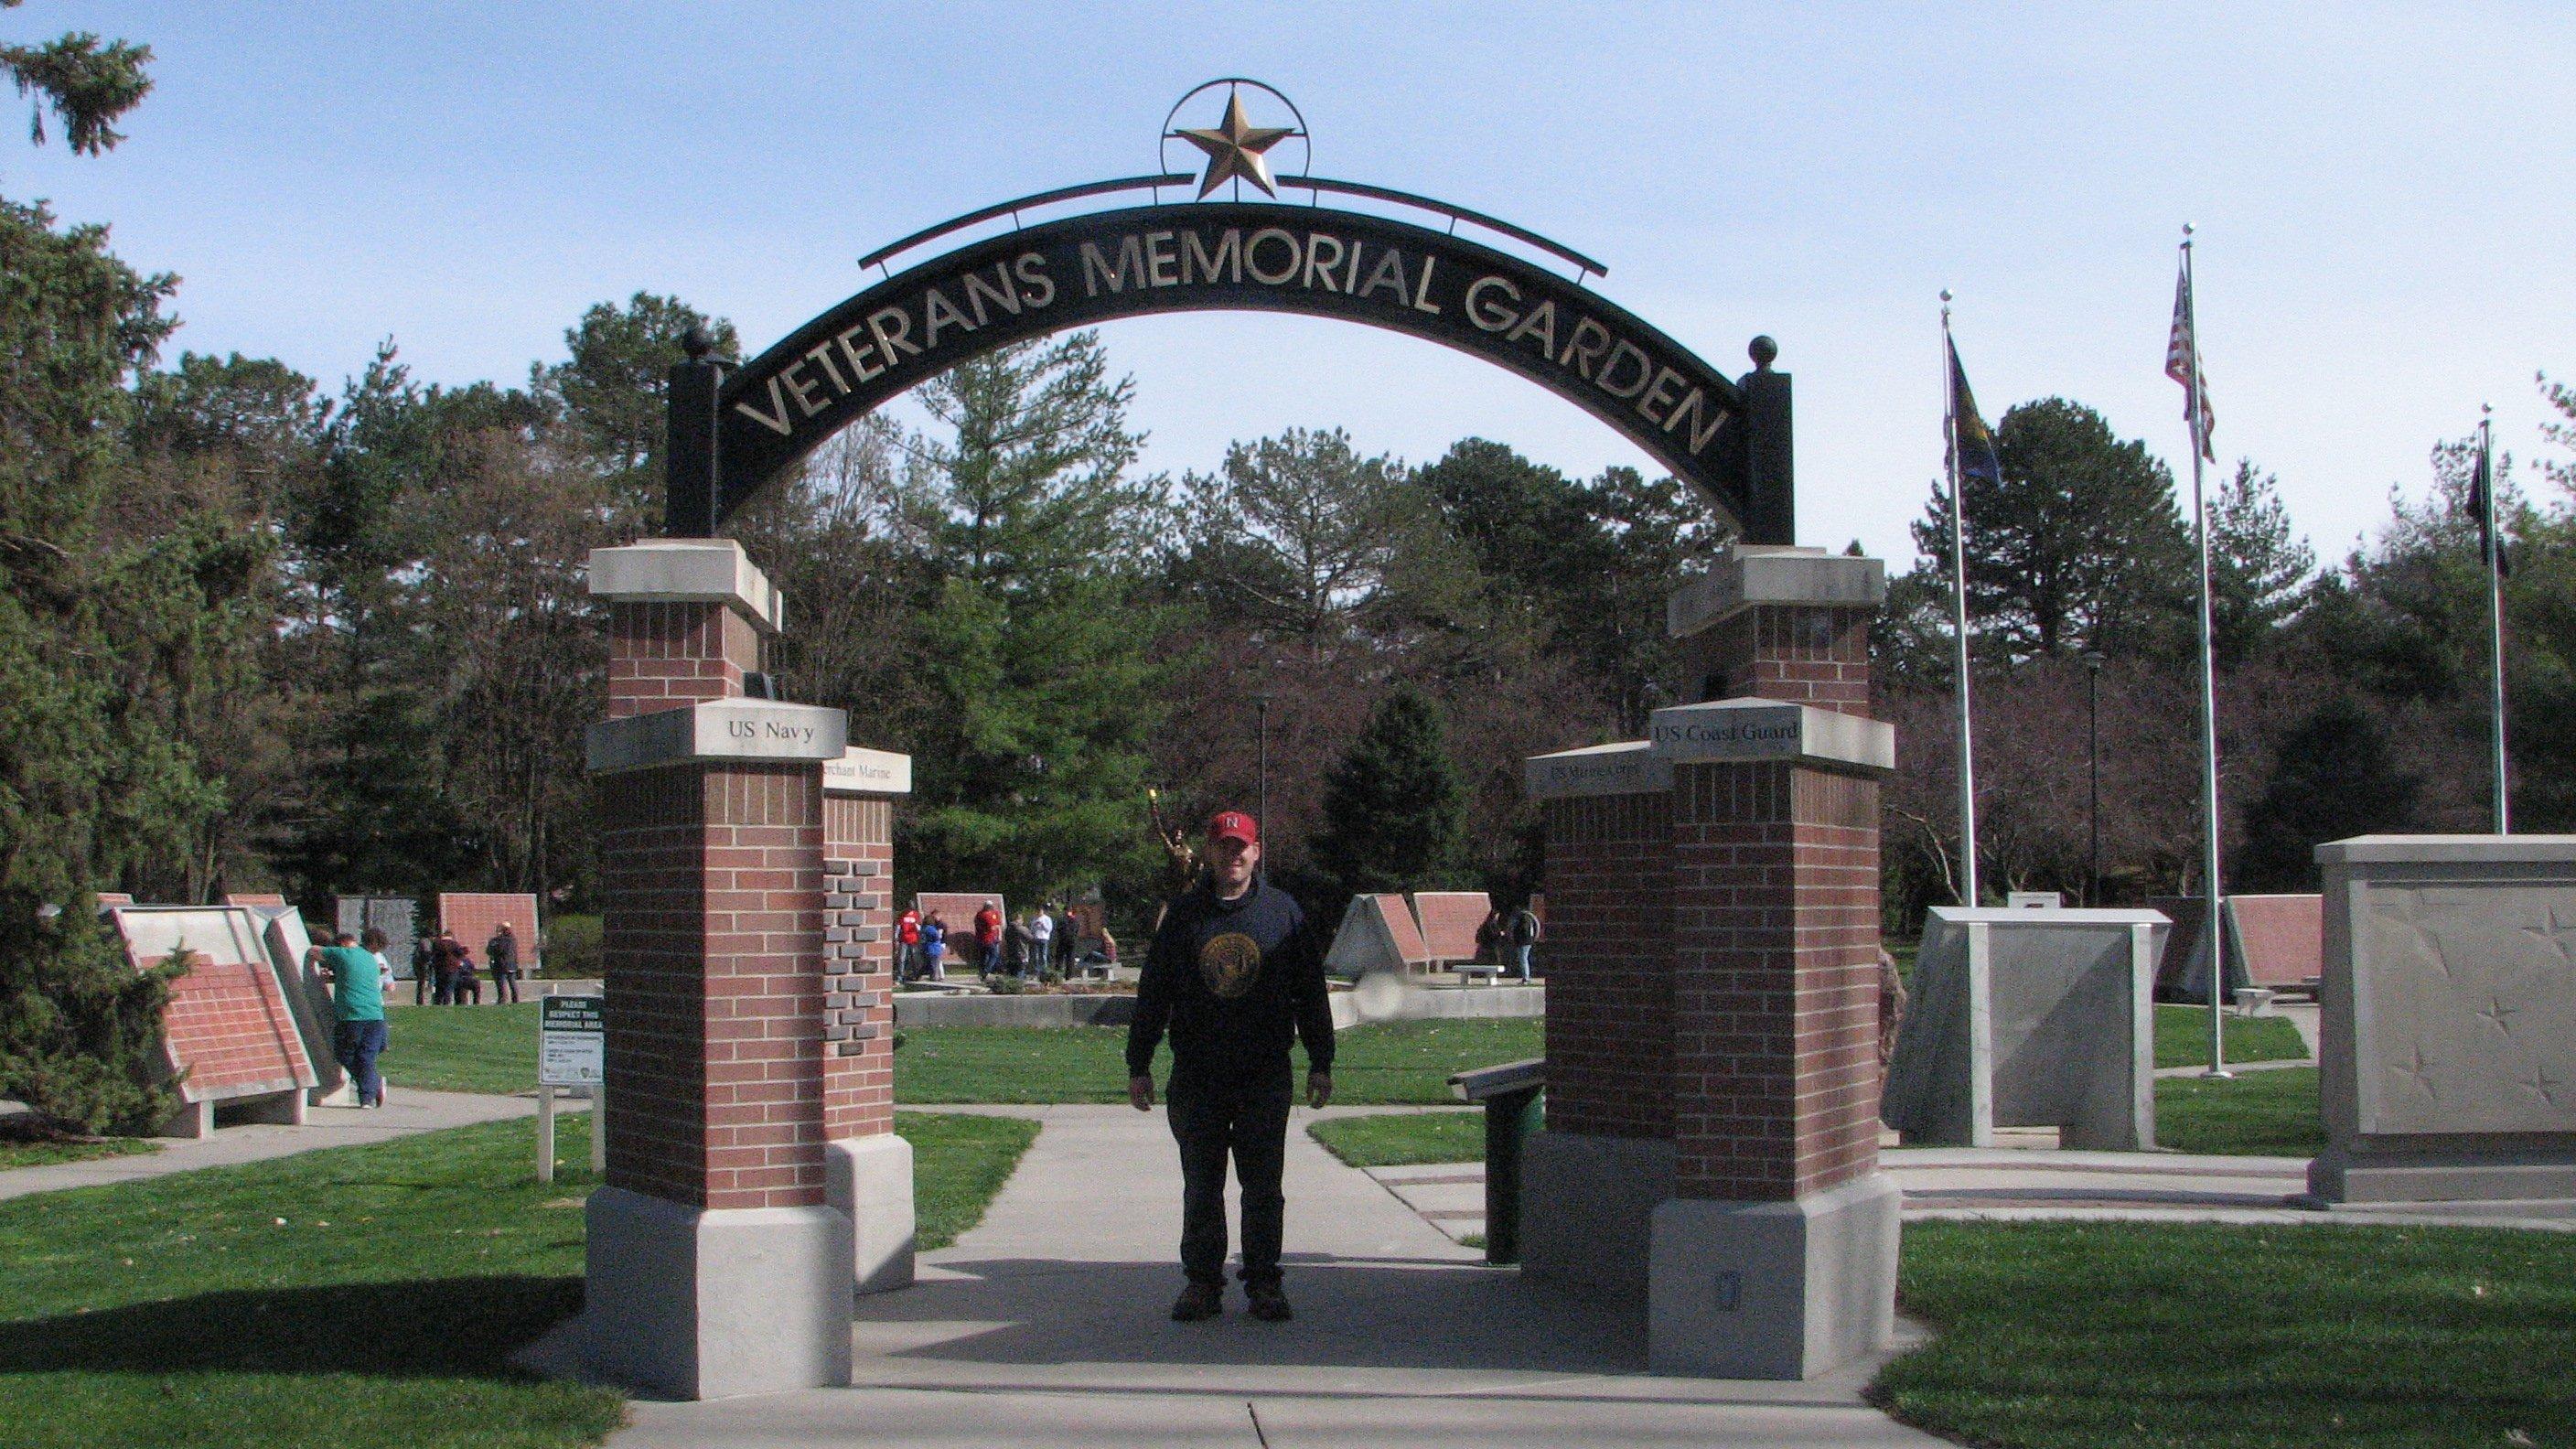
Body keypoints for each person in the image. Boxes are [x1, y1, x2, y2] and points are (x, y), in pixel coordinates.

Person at [1127, 810, 1333, 1324]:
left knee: (1263, 1187)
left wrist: (1321, 1060)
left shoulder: (1283, 913)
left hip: (1264, 1073)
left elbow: (1310, 992)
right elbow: (1154, 992)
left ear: (1256, 853)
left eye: (1241, 847)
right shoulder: (1184, 917)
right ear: (1210, 853)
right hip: (1199, 1074)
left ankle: (1264, 1283)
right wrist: (1139, 1062)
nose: (1233, 855)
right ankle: (1202, 1283)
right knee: (1202, 1186)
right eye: (1224, 846)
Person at [317, 930, 388, 1108]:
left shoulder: (344, 953)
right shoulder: (371, 959)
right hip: (376, 1016)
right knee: (366, 1057)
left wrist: (317, 969)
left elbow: (313, 951)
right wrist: (334, 976)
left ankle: (371, 1089)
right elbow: (353, 977)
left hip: (352, 1016)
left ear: (342, 944)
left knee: (344, 1054)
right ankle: (369, 1094)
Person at [487, 921, 523, 1004]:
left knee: (504, 983)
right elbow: (488, 950)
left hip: (502, 965)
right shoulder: (508, 939)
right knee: (509, 983)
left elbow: (500, 950)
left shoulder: (507, 939)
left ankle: (504, 1000)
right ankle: (512, 1000)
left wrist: (495, 946)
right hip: (507, 965)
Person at [429, 929, 468, 1005]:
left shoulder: (437, 944)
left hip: (439, 969)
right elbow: (461, 954)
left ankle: (437, 1004)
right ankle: (446, 1003)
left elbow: (433, 955)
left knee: (439, 989)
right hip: (452, 969)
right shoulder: (454, 944)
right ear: (451, 936)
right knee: (449, 988)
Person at [1508, 901, 1542, 982]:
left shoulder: (1519, 918)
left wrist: (1513, 937)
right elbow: (1536, 926)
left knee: (1523, 959)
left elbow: (1514, 929)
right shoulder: (1529, 917)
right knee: (1524, 959)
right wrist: (1534, 937)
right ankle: (1526, 976)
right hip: (1528, 941)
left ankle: (1526, 977)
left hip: (1522, 942)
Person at [974, 901, 1003, 977]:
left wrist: (999, 935)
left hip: (992, 937)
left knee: (985, 956)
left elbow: (998, 924)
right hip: (988, 938)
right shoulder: (983, 915)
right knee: (994, 955)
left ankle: (983, 972)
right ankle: (986, 971)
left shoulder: (994, 913)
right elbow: (991, 927)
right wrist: (996, 927)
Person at [921, 911, 948, 982]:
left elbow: (937, 936)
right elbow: (937, 936)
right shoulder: (931, 927)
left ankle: (937, 977)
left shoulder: (929, 928)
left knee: (935, 963)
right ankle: (936, 976)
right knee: (935, 963)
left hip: (934, 947)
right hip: (935, 947)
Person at [896, 906, 922, 981]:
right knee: (902, 958)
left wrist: (917, 931)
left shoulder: (916, 915)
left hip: (913, 939)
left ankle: (916, 974)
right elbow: (898, 927)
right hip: (904, 939)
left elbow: (919, 927)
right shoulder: (902, 915)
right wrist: (896, 938)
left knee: (914, 957)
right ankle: (900, 975)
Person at [1028, 907, 1054, 978]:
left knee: (1043, 955)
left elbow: (1049, 929)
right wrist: (1034, 924)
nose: (1039, 912)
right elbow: (1031, 929)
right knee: (1036, 955)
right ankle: (1037, 971)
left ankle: (1044, 971)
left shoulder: (1047, 918)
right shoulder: (1035, 918)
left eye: (1040, 911)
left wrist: (1042, 924)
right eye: (1038, 911)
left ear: (1043, 911)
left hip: (1044, 938)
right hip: (1036, 938)